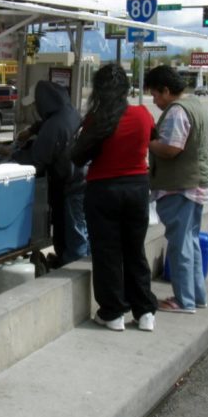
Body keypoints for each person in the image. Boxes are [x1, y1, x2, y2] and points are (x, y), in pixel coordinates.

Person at [77, 64, 158, 332]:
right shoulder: (143, 114)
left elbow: (78, 156)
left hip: (103, 190)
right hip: (137, 188)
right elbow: (152, 139)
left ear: (98, 90)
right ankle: (145, 312)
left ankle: (113, 313)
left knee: (107, 252)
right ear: (126, 88)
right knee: (135, 250)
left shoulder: (96, 119)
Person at [145, 65, 208, 314]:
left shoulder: (176, 111)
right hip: (197, 182)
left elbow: (171, 148)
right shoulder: (196, 105)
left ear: (166, 90)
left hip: (180, 187)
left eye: (155, 95)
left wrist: (149, 142)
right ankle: (196, 296)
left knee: (179, 245)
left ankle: (184, 300)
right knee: (190, 242)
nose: (155, 101)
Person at [11, 80, 89, 268]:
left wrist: (12, 154)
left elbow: (37, 160)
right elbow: (45, 125)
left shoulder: (54, 126)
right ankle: (65, 259)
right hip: (79, 178)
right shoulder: (68, 112)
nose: (35, 108)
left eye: (36, 104)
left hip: (72, 183)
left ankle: (75, 270)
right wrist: (31, 130)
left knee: (75, 231)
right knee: (68, 226)